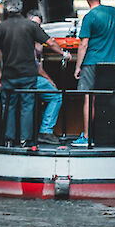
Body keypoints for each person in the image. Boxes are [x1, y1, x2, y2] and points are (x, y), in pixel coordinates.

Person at [0, 0, 69, 146]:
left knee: (10, 105)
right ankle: (25, 140)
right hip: (27, 74)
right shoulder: (31, 26)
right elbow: (50, 42)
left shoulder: (0, 28)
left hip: (9, 75)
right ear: (20, 7)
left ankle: (8, 139)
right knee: (27, 105)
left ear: (7, 9)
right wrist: (63, 53)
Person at [73, 0, 115, 146]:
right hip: (113, 62)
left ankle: (86, 136)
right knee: (111, 97)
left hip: (92, 62)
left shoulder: (89, 17)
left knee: (88, 98)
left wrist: (78, 66)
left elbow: (83, 45)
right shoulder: (113, 12)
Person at [26, 10, 66, 144]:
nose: (35, 28)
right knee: (56, 96)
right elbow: (36, 67)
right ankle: (45, 131)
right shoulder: (31, 41)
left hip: (21, 77)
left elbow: (39, 66)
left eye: (38, 25)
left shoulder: (35, 41)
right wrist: (64, 54)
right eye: (34, 24)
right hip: (29, 78)